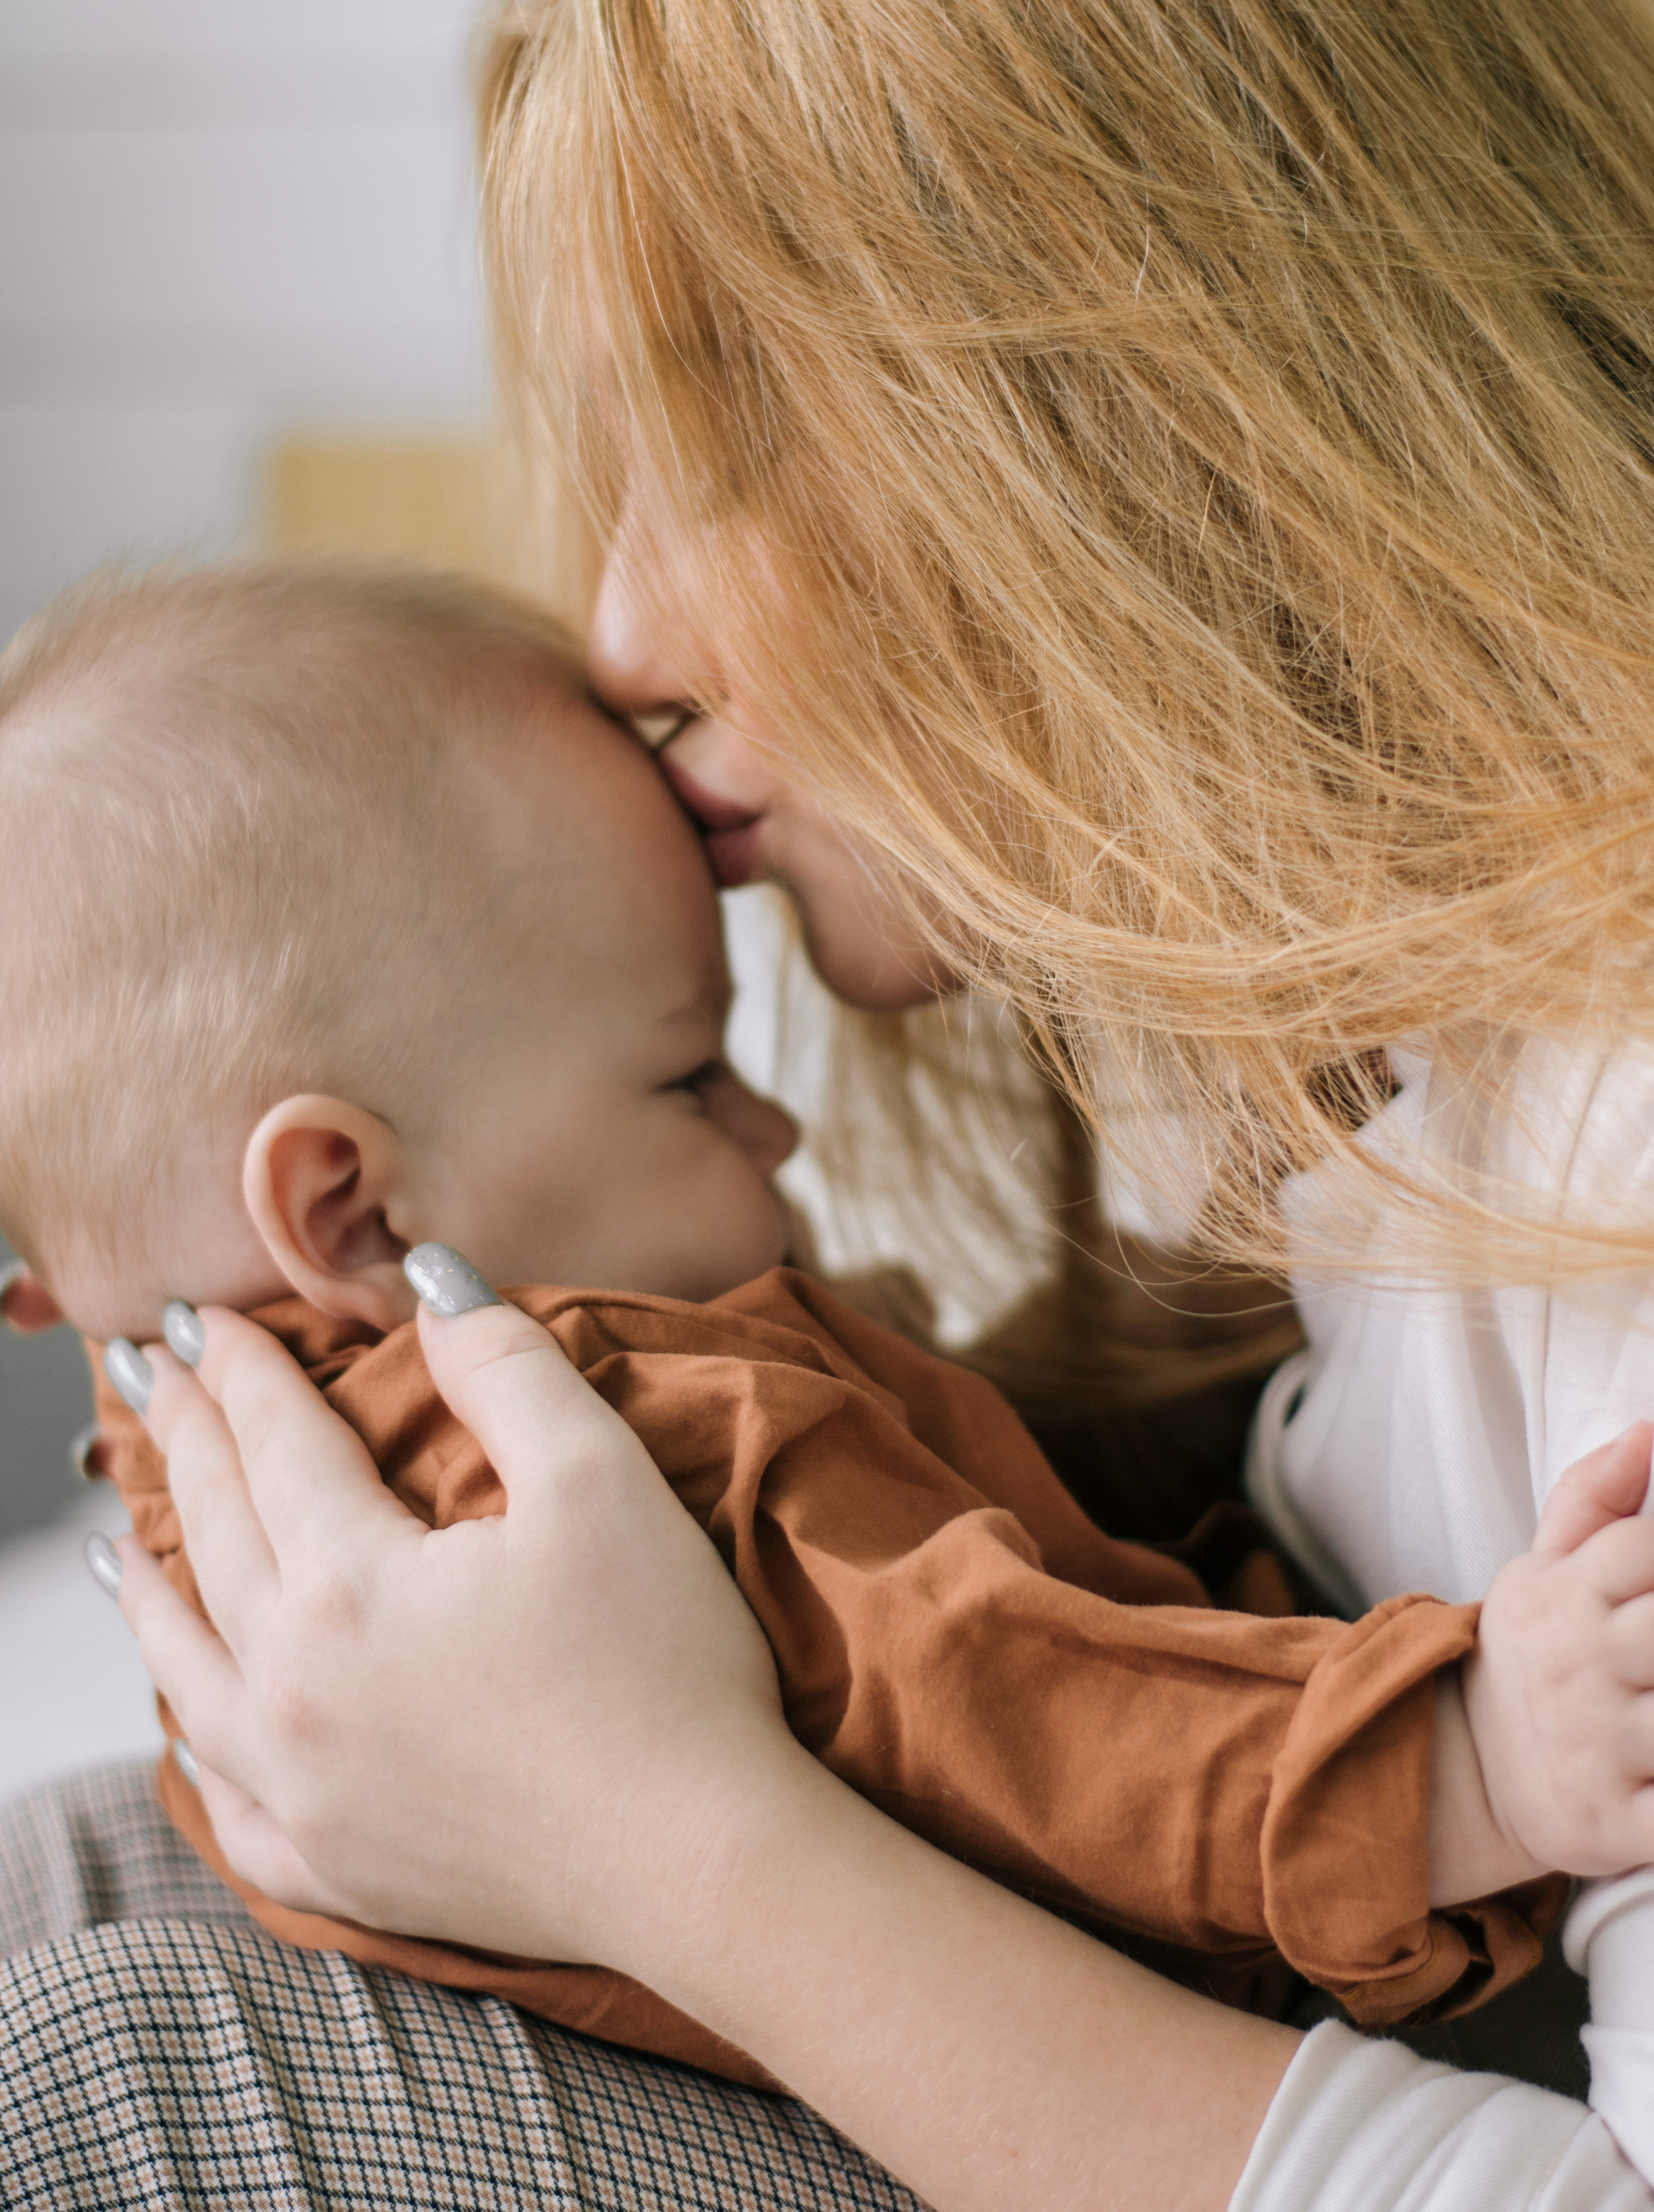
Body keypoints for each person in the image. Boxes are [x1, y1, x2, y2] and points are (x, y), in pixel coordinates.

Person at [6, 0, 1654, 2204]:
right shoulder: (1337, 1096)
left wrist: (650, 1836)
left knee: (102, 2067)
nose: (622, 630)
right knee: (68, 1874)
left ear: (1156, 415)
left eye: (729, 436)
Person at [1, 552, 1560, 2070]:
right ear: (350, 1206)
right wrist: (1461, 1765)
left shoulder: (203, 1403)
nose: (775, 1131)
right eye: (688, 1077)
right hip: (1030, 2056)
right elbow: (1004, 1700)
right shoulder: (640, 1442)